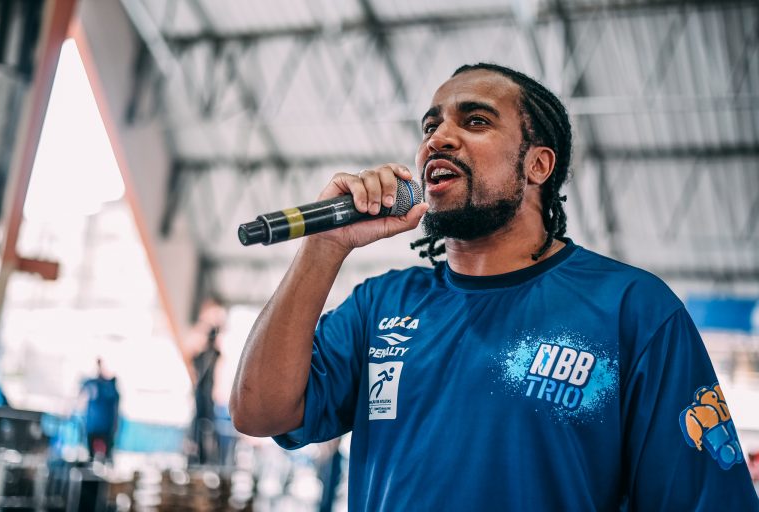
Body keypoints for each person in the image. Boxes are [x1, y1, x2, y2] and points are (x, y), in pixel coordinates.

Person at [229, 63, 759, 510]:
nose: (438, 138)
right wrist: (325, 246)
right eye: (430, 126)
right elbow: (259, 411)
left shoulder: (632, 309)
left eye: (476, 120)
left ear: (538, 165)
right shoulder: (380, 304)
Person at [78, 358, 120, 462]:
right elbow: (81, 392)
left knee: (107, 458)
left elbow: (115, 408)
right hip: (93, 427)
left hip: (106, 428)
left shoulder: (110, 387)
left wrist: (115, 426)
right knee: (91, 457)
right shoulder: (92, 383)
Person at [190, 326, 221, 465]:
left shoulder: (214, 354)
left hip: (207, 394)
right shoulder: (204, 355)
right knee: (199, 424)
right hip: (202, 394)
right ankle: (198, 453)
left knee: (208, 424)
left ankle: (208, 456)